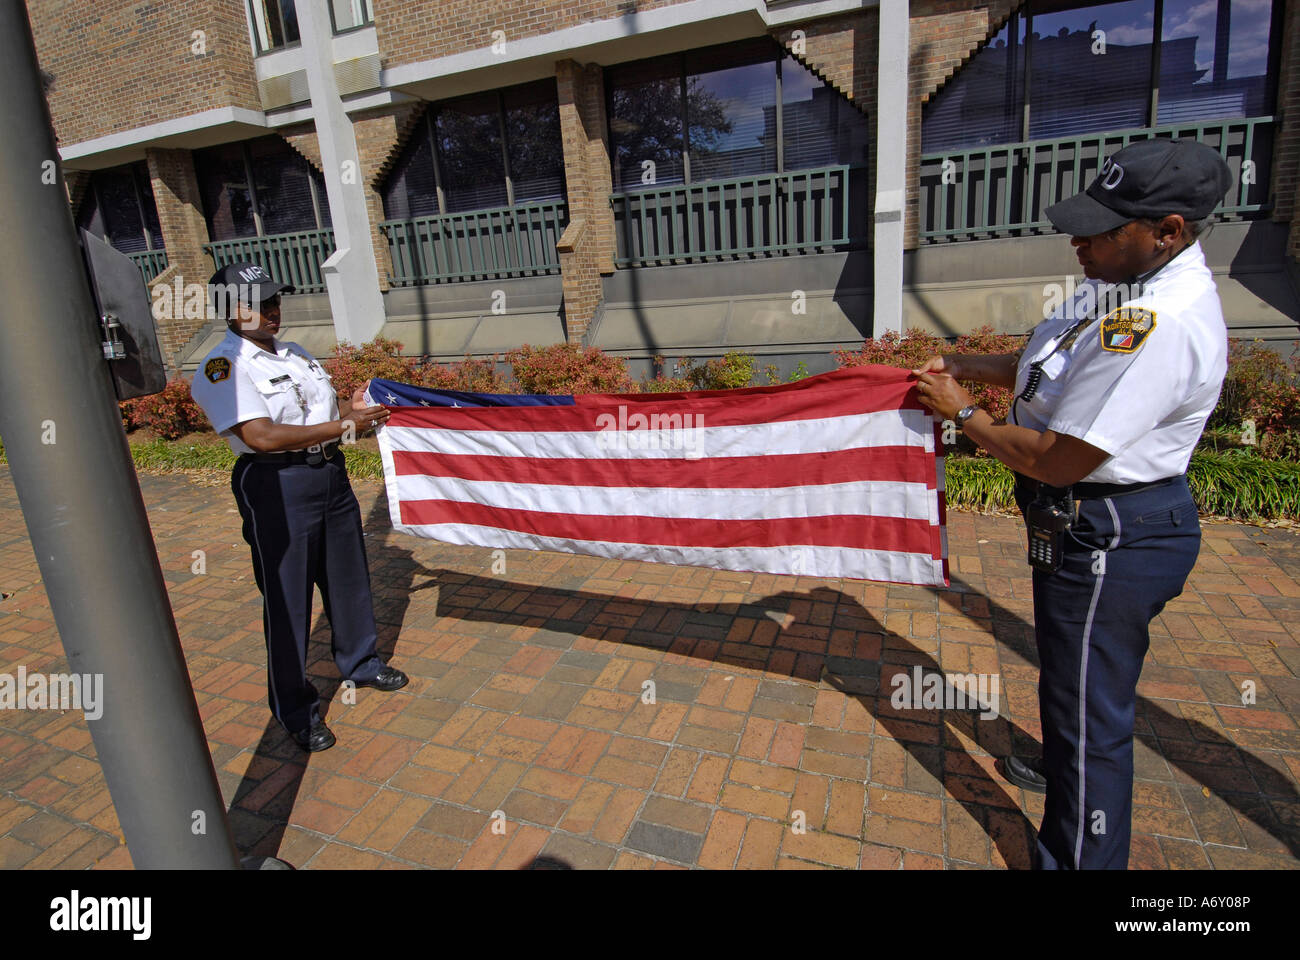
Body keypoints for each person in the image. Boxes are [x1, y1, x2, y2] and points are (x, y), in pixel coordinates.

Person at [910, 138, 1233, 869]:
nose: (1078, 241)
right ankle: (1064, 777)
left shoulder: (1162, 323)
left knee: (1090, 718)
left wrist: (962, 412)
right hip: (1079, 527)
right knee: (1070, 684)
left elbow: (1058, 457)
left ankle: (1079, 856)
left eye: (1100, 229)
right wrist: (969, 365)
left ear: (1169, 231)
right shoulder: (1117, 278)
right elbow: (1046, 362)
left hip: (1111, 532)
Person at [190, 262, 408, 753]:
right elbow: (261, 436)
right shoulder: (223, 366)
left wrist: (351, 412)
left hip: (328, 475)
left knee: (347, 576)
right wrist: (340, 426)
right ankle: (294, 708)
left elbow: (325, 417)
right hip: (276, 484)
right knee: (288, 599)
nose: (271, 310)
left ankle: (361, 661)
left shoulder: (295, 353)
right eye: (257, 303)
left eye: (274, 299)